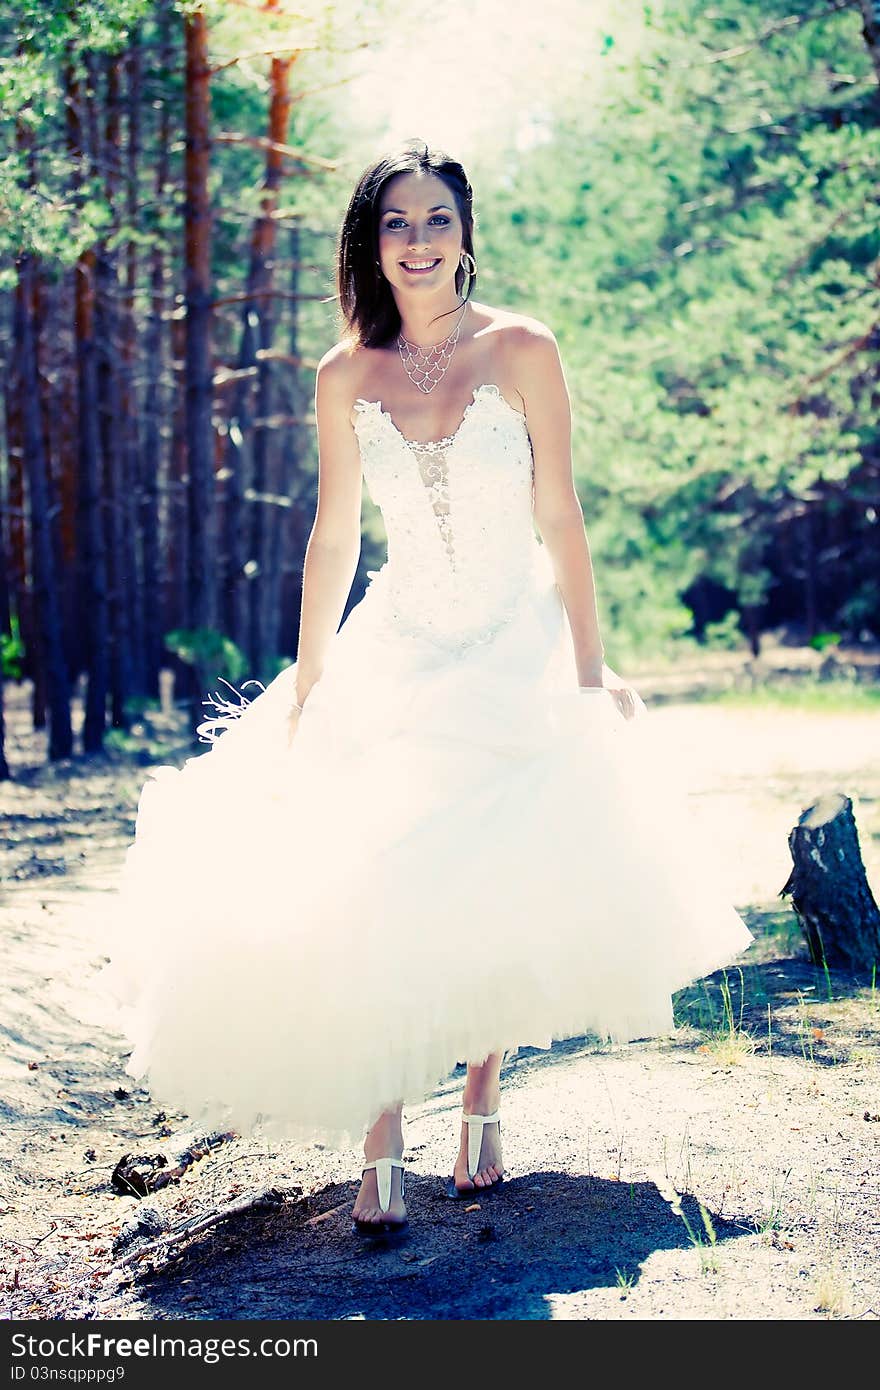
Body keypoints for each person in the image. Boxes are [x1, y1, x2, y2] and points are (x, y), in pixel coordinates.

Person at [101, 140, 752, 1238]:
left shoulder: (522, 349)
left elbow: (561, 516)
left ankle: (485, 1091)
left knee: (500, 866)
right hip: (400, 638)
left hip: (512, 637)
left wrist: (588, 673)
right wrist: (309, 684)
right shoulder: (344, 374)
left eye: (436, 218)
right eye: (396, 222)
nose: (417, 239)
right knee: (377, 871)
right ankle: (381, 1136)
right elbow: (335, 531)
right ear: (372, 241)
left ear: (465, 231)